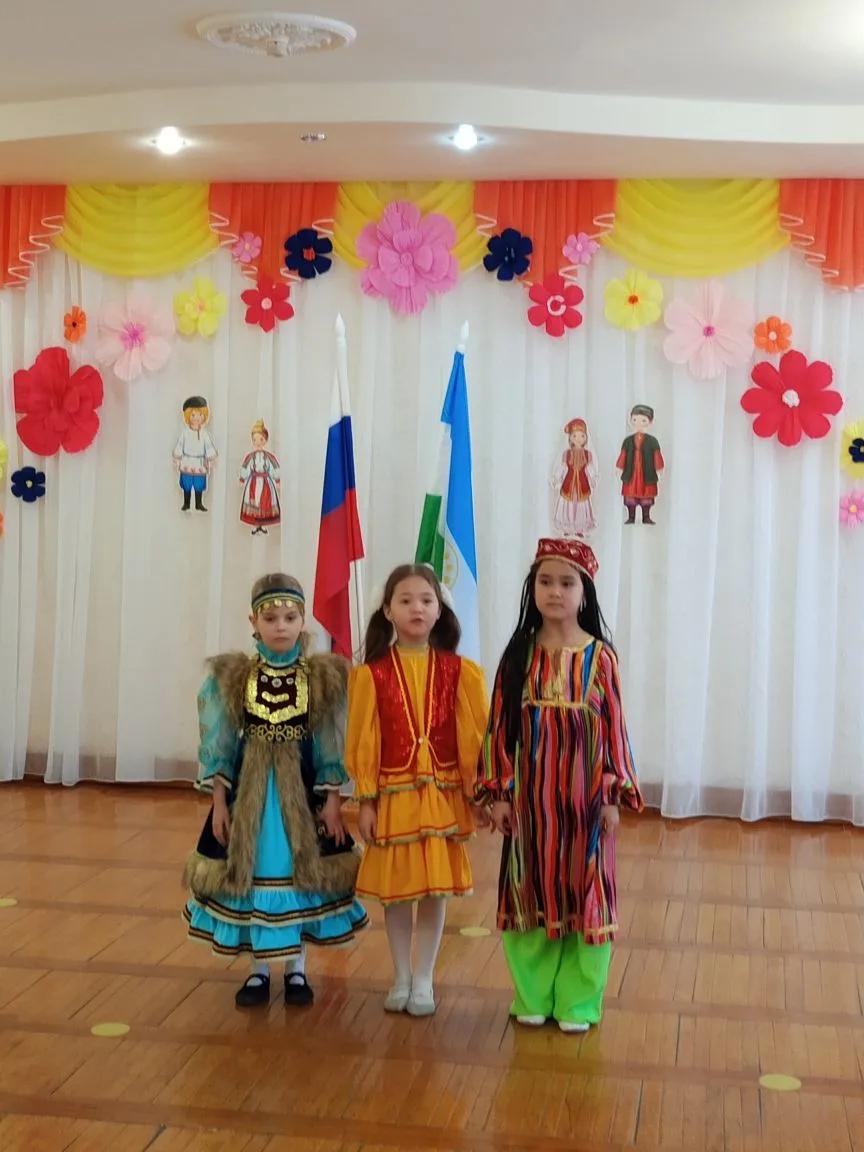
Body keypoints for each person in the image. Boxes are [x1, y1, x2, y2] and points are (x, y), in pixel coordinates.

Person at [477, 537, 642, 1032]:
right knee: (530, 888)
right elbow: (499, 727)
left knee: (586, 892)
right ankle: (531, 995)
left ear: (584, 591)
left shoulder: (601, 659)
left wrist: (612, 795)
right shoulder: (518, 656)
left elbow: (614, 729)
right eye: (545, 582)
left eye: (566, 583)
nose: (555, 591)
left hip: (586, 804)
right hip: (531, 806)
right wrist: (499, 792)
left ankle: (578, 1001)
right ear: (533, 589)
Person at [183, 573, 367, 1008]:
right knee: (253, 876)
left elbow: (331, 744)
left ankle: (297, 968)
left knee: (299, 877)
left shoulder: (321, 678)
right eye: (270, 618)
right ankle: (259, 971)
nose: (280, 626)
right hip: (252, 800)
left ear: (303, 621)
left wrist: (333, 802)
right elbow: (220, 745)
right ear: (253, 621)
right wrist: (219, 803)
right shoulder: (233, 678)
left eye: (289, 617)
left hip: (301, 800)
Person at [346, 564, 489, 1017]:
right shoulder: (371, 675)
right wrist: (366, 800)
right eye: (405, 600)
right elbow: (364, 741)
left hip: (442, 795)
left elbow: (473, 737)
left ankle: (424, 976)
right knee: (397, 891)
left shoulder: (460, 672)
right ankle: (401, 975)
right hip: (395, 795)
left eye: (426, 600)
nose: (417, 608)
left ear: (439, 609)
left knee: (433, 890)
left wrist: (478, 794)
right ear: (388, 610)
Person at [616, 405, 664, 525]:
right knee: (630, 495)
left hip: (646, 472)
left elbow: (657, 456)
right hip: (632, 473)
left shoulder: (653, 441)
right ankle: (631, 516)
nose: (639, 424)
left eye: (643, 421)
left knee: (646, 496)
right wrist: (619, 467)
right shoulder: (628, 441)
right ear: (631, 420)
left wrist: (659, 469)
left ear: (650, 422)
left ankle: (646, 516)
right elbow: (623, 455)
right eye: (635, 420)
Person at [552, 417, 598, 536]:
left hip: (582, 483)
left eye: (582, 436)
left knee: (581, 505)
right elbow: (563, 467)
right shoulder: (566, 454)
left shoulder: (588, 454)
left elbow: (589, 468)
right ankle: (567, 528)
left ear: (586, 438)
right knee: (568, 504)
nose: (578, 439)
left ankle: (579, 528)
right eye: (575, 436)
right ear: (570, 438)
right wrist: (557, 478)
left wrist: (593, 477)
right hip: (569, 483)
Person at [173, 396, 218, 513]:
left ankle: (199, 503)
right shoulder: (185, 433)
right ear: (188, 416)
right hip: (187, 461)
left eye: (200, 415)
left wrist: (211, 459)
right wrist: (177, 457)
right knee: (187, 484)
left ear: (204, 416)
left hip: (199, 463)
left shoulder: (204, 434)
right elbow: (180, 445)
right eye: (193, 415)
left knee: (199, 484)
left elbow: (208, 446)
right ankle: (186, 503)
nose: (197, 418)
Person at [239, 420, 281, 535]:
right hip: (253, 483)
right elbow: (245, 467)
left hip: (266, 483)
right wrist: (242, 479)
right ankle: (255, 525)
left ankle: (262, 525)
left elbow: (274, 468)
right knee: (254, 502)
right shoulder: (250, 457)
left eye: (261, 439)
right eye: (255, 440)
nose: (257, 442)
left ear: (265, 440)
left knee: (264, 502)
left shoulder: (269, 457)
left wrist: (277, 480)